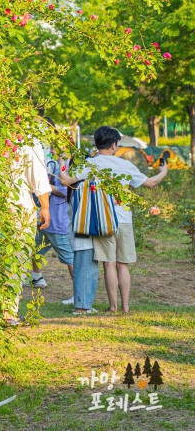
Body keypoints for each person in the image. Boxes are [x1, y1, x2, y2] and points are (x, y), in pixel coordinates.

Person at [61, 126, 167, 314]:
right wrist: (163, 171)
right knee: (122, 265)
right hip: (124, 219)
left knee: (109, 264)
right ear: (114, 145)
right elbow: (150, 183)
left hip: (103, 220)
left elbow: (66, 181)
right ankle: (126, 307)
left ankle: (113, 306)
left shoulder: (91, 164)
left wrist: (61, 161)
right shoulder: (125, 165)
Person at [8, 137, 51, 326]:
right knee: (16, 259)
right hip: (18, 206)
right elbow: (39, 178)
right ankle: (8, 312)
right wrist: (45, 207)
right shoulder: (29, 140)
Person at [30, 154, 75, 301]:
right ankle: (36, 278)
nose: (52, 149)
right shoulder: (53, 163)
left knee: (69, 258)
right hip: (47, 218)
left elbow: (66, 189)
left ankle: (79, 293)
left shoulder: (70, 165)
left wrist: (44, 186)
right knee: (35, 248)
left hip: (59, 220)